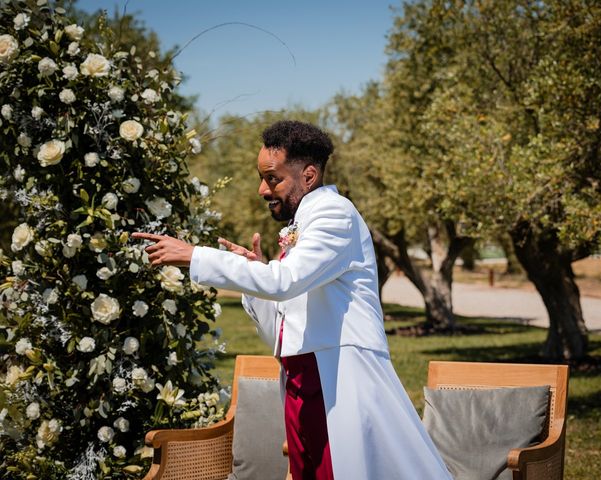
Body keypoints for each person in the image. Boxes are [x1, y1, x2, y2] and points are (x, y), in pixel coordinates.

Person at [133, 120, 451, 480]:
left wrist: (196, 256)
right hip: (303, 380)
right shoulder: (305, 223)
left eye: (272, 178)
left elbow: (284, 282)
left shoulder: (335, 214)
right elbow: (284, 329)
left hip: (339, 381)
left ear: (309, 175)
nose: (262, 189)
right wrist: (255, 276)